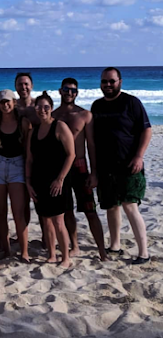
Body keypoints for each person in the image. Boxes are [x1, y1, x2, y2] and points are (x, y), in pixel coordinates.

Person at [91, 67, 152, 264]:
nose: (108, 85)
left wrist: (139, 156)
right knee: (111, 206)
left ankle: (144, 252)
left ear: (120, 82)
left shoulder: (131, 102)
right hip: (105, 166)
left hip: (129, 164)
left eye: (111, 81)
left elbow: (146, 130)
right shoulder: (97, 106)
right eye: (104, 81)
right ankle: (115, 245)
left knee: (130, 205)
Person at [52, 78, 108, 261]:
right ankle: (74, 246)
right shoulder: (53, 116)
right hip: (60, 167)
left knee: (90, 210)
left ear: (77, 93)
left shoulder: (85, 115)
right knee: (66, 209)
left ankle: (102, 250)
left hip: (80, 166)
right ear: (60, 91)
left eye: (73, 90)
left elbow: (91, 145)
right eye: (66, 89)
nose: (69, 93)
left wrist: (94, 172)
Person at [26, 91, 75, 268]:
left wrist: (60, 179)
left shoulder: (60, 126)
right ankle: (52, 254)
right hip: (39, 181)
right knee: (45, 220)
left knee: (58, 221)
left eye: (46, 107)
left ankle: (66, 258)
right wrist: (28, 182)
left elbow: (71, 155)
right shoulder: (34, 131)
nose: (42, 110)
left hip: (57, 181)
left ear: (51, 109)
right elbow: (30, 159)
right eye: (39, 107)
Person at [0, 89, 31, 261]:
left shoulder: (23, 123)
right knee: (0, 211)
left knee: (18, 212)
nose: (5, 105)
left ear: (14, 102)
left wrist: (28, 174)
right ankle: (6, 250)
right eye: (2, 102)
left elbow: (28, 151)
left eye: (8, 101)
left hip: (17, 165)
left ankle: (24, 251)